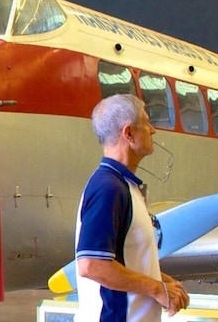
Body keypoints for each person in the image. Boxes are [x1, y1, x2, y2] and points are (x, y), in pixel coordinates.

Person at [75, 94, 189, 322]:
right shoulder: (109, 188)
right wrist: (156, 289)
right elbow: (92, 264)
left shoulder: (122, 185)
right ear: (128, 133)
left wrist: (162, 280)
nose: (153, 130)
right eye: (146, 123)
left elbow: (123, 259)